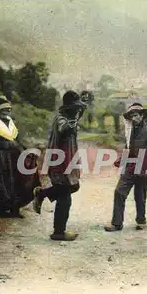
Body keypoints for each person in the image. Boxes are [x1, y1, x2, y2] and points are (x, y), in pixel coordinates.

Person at [32, 91, 87, 241]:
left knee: (73, 187)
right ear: (68, 107)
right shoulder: (61, 119)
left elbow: (77, 115)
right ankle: (58, 232)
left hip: (67, 161)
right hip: (59, 162)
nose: (77, 110)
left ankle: (42, 194)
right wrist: (76, 116)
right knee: (65, 196)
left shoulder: (68, 116)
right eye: (75, 108)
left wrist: (81, 107)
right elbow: (66, 129)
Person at [104, 102, 147, 232]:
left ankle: (141, 221)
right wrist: (121, 159)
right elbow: (128, 147)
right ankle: (117, 223)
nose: (134, 118)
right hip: (130, 166)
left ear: (142, 115)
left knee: (140, 195)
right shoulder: (129, 130)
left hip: (144, 167)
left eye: (136, 115)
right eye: (132, 116)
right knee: (119, 191)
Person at [0, 95, 40, 218]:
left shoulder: (9, 121)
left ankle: (15, 208)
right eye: (4, 110)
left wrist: (27, 149)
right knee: (2, 182)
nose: (7, 112)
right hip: (1, 156)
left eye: (8, 110)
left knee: (17, 181)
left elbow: (17, 139)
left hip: (14, 155)